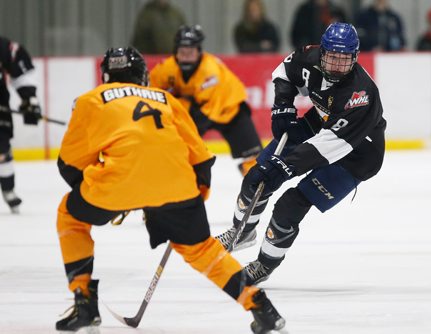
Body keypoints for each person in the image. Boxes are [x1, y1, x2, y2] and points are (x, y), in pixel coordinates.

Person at [54, 47, 285, 333]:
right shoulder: (166, 99)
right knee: (202, 251)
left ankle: (84, 303)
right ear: (142, 75)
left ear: (106, 75)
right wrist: (193, 199)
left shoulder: (89, 100)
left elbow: (69, 165)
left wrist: (115, 197)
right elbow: (201, 159)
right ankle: (260, 307)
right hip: (178, 189)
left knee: (70, 215)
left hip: (116, 186)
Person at [216, 23, 386, 285]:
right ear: (322, 53)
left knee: (289, 205)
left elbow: (331, 145)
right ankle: (242, 232)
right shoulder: (309, 57)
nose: (337, 66)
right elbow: (285, 71)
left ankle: (264, 265)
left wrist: (286, 166)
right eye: (332, 58)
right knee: (257, 176)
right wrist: (283, 105)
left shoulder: (361, 95)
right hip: (321, 123)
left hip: (357, 155)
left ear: (355, 58)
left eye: (344, 61)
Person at [150, 25, 263, 176]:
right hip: (199, 108)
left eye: (190, 52)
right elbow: (149, 90)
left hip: (230, 110)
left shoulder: (210, 71)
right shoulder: (167, 68)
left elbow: (206, 113)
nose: (186, 56)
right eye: (182, 52)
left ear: (199, 51)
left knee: (256, 160)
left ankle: (255, 183)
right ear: (176, 52)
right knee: (180, 148)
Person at [0, 36, 42, 213]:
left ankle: (8, 189)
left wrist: (29, 99)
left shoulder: (3, 47)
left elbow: (21, 69)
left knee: (1, 149)